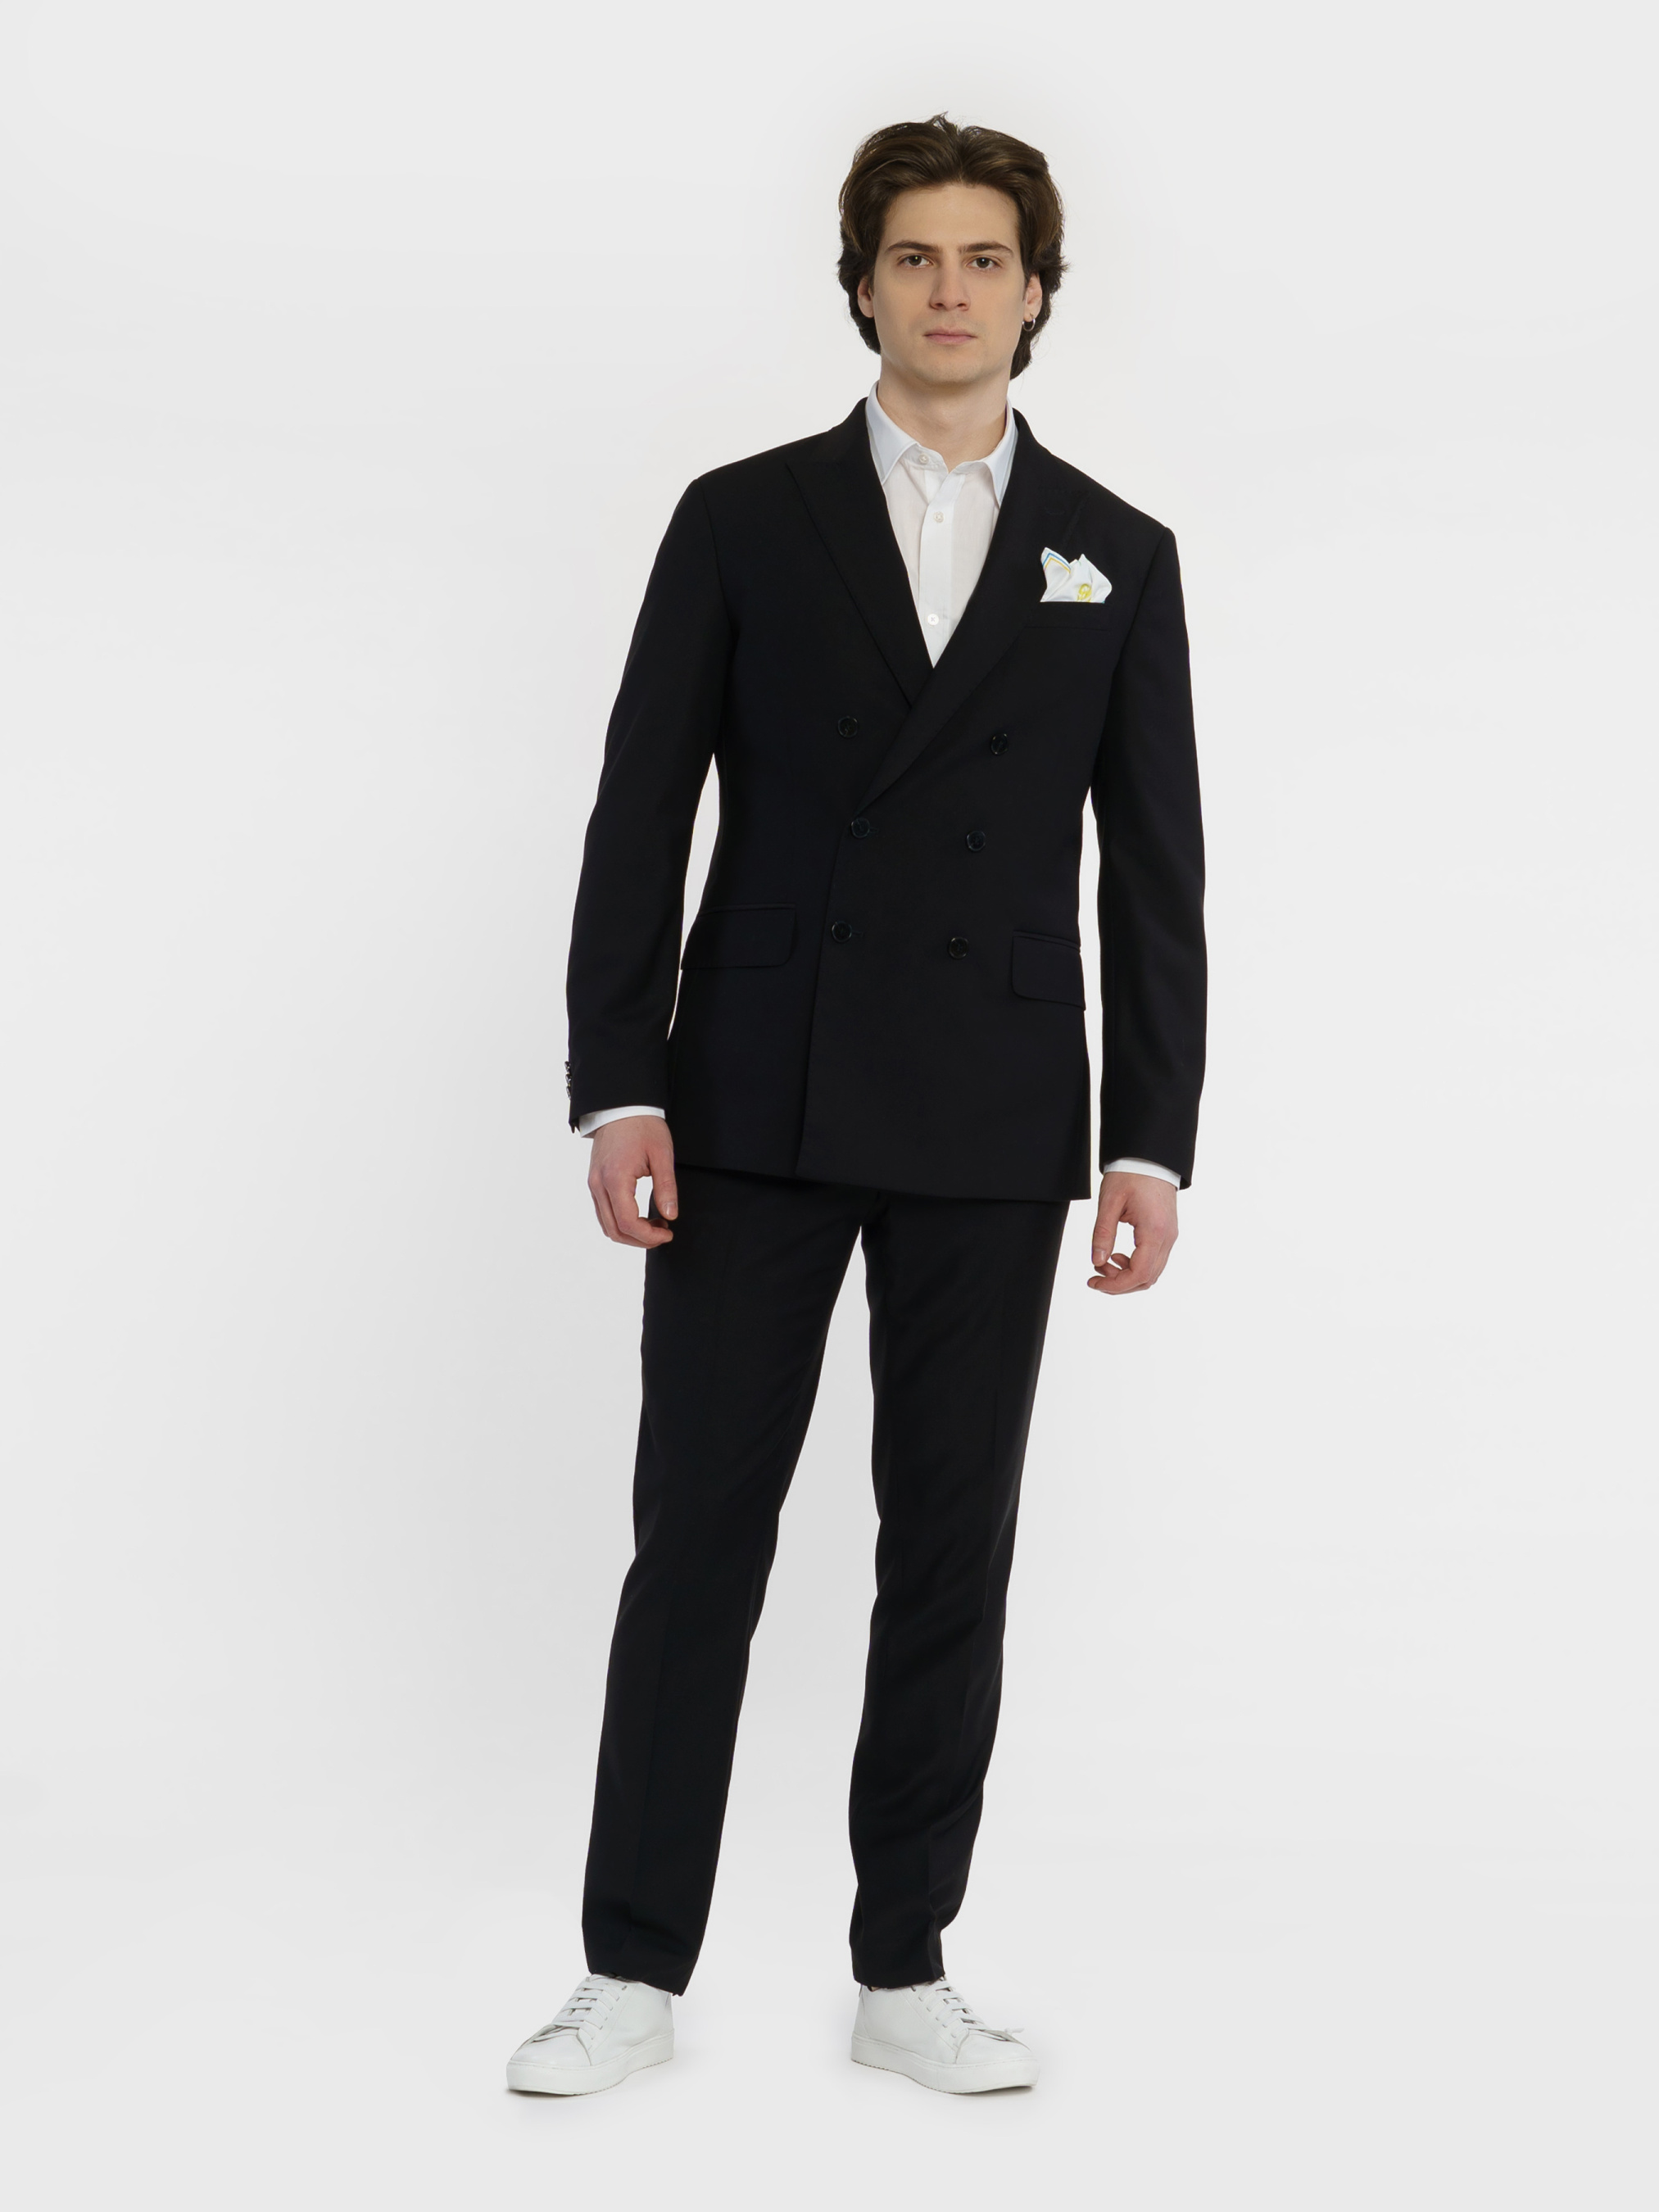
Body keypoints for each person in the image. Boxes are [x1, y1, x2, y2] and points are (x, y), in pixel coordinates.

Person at [507, 112, 1206, 2098]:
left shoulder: (1118, 553)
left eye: (984, 257)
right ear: (864, 284)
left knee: (948, 1550)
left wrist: (1145, 1136)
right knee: (696, 1543)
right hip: (752, 1097)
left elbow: (1154, 875)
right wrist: (617, 1085)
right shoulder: (740, 518)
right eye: (914, 256)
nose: (949, 289)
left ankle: (904, 1967)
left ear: (1035, 291)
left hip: (993, 1117)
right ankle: (628, 1972)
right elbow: (640, 813)